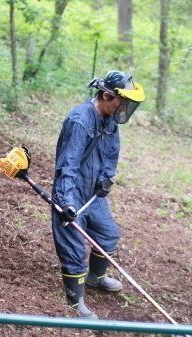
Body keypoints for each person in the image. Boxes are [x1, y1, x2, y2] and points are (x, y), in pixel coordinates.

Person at [51, 70, 145, 319]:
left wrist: (105, 178)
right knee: (74, 248)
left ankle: (96, 276)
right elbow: (67, 165)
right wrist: (66, 203)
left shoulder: (110, 120)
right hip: (71, 191)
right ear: (106, 96)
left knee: (107, 234)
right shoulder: (80, 121)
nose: (124, 108)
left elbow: (111, 153)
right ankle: (75, 302)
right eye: (122, 102)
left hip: (94, 192)